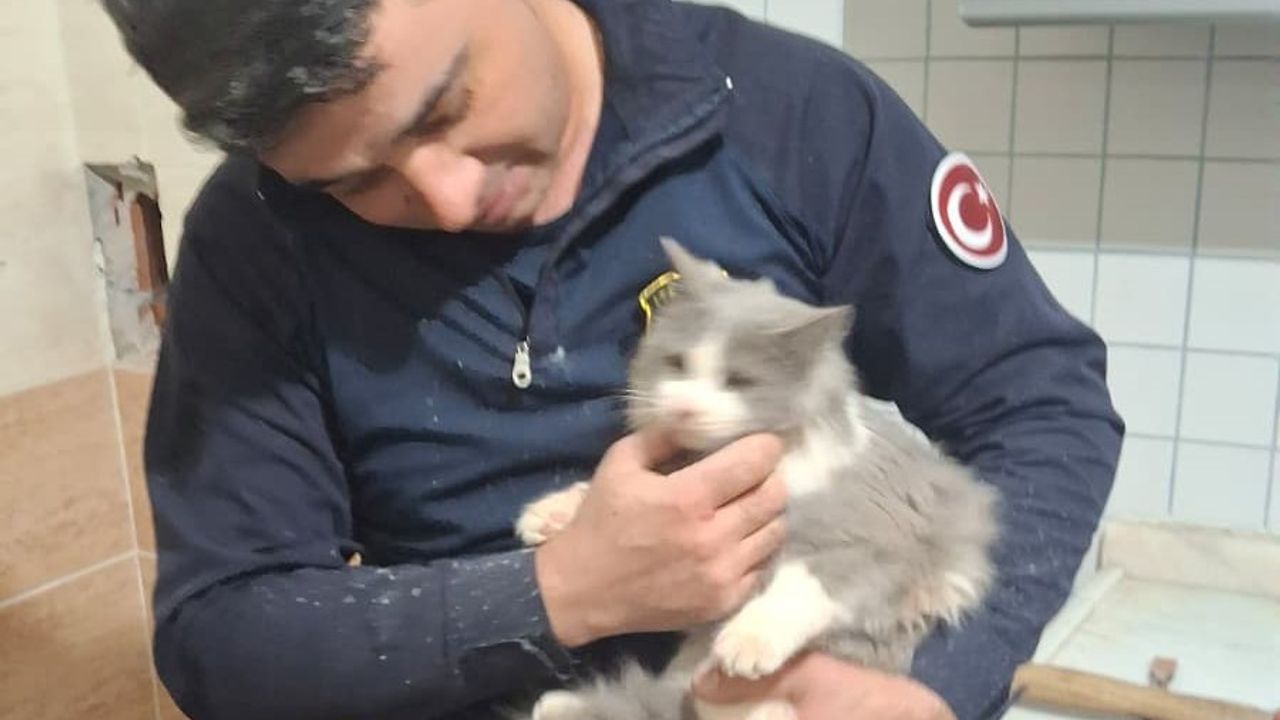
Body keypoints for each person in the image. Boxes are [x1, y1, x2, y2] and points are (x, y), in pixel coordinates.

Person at [100, 1, 1124, 719]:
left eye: (448, 104)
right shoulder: (255, 238)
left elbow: (1040, 403)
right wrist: (560, 591)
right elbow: (220, 635)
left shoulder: (789, 114)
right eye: (354, 184)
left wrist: (934, 687)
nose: (449, 200)